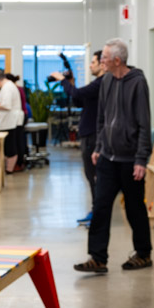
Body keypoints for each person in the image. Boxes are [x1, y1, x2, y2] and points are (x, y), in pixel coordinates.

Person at [75, 39, 153, 273]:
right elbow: (102, 118)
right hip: (108, 158)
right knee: (101, 206)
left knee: (134, 209)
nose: (101, 61)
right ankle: (98, 258)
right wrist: (99, 147)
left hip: (130, 161)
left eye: (105, 58)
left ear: (117, 60)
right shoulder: (107, 81)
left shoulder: (138, 82)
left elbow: (144, 123)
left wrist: (141, 159)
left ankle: (143, 254)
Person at [58, 50, 104, 224]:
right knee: (90, 176)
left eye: (93, 62)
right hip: (87, 134)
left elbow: (77, 94)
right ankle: (95, 210)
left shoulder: (101, 83)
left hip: (93, 135)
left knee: (94, 177)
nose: (90, 65)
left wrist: (62, 81)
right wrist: (71, 83)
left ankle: (97, 214)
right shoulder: (96, 83)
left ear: (102, 64)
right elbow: (79, 101)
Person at [0, 68, 24, 173]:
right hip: (10, 120)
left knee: (10, 147)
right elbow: (1, 99)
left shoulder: (7, 88)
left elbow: (6, 105)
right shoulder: (8, 86)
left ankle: (9, 169)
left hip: (10, 121)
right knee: (10, 145)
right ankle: (8, 168)